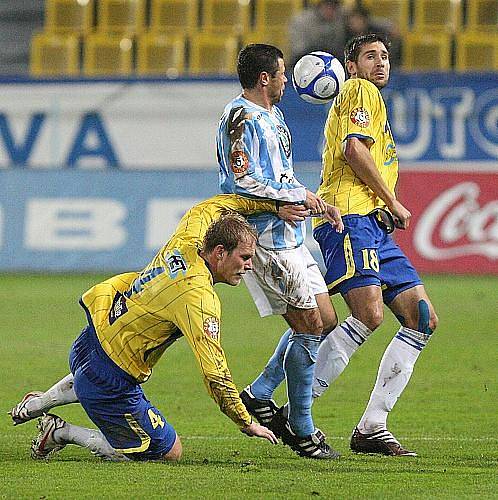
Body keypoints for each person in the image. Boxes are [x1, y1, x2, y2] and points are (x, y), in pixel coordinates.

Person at [9, 194, 283, 461]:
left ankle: (38, 404)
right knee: (167, 451)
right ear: (220, 252)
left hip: (89, 340)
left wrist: (274, 205)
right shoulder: (197, 297)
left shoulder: (188, 238)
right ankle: (61, 432)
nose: (249, 266)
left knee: (90, 375)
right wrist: (245, 421)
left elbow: (212, 205)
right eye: (245, 257)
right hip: (111, 376)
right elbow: (215, 373)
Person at [311, 33, 438, 456]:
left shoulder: (364, 97)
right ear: (352, 66)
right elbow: (353, 151)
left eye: (385, 57)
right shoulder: (361, 90)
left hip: (370, 226)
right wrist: (393, 201)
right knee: (368, 314)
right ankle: (297, 412)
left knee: (422, 318)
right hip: (349, 220)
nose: (380, 63)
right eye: (370, 56)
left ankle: (372, 426)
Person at [216, 43, 344, 459]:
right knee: (308, 326)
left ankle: (259, 393)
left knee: (325, 321)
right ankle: (302, 429)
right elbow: (240, 181)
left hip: (292, 234)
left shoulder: (274, 115)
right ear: (264, 78)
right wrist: (278, 203)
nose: (288, 80)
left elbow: (281, 175)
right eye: (283, 73)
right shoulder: (239, 118)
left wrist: (313, 199)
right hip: (264, 238)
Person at [288, 0, 347, 67]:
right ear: (319, 5)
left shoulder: (340, 19)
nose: (330, 10)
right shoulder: (302, 21)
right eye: (327, 6)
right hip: (303, 63)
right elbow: (298, 50)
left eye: (334, 7)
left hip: (332, 63)